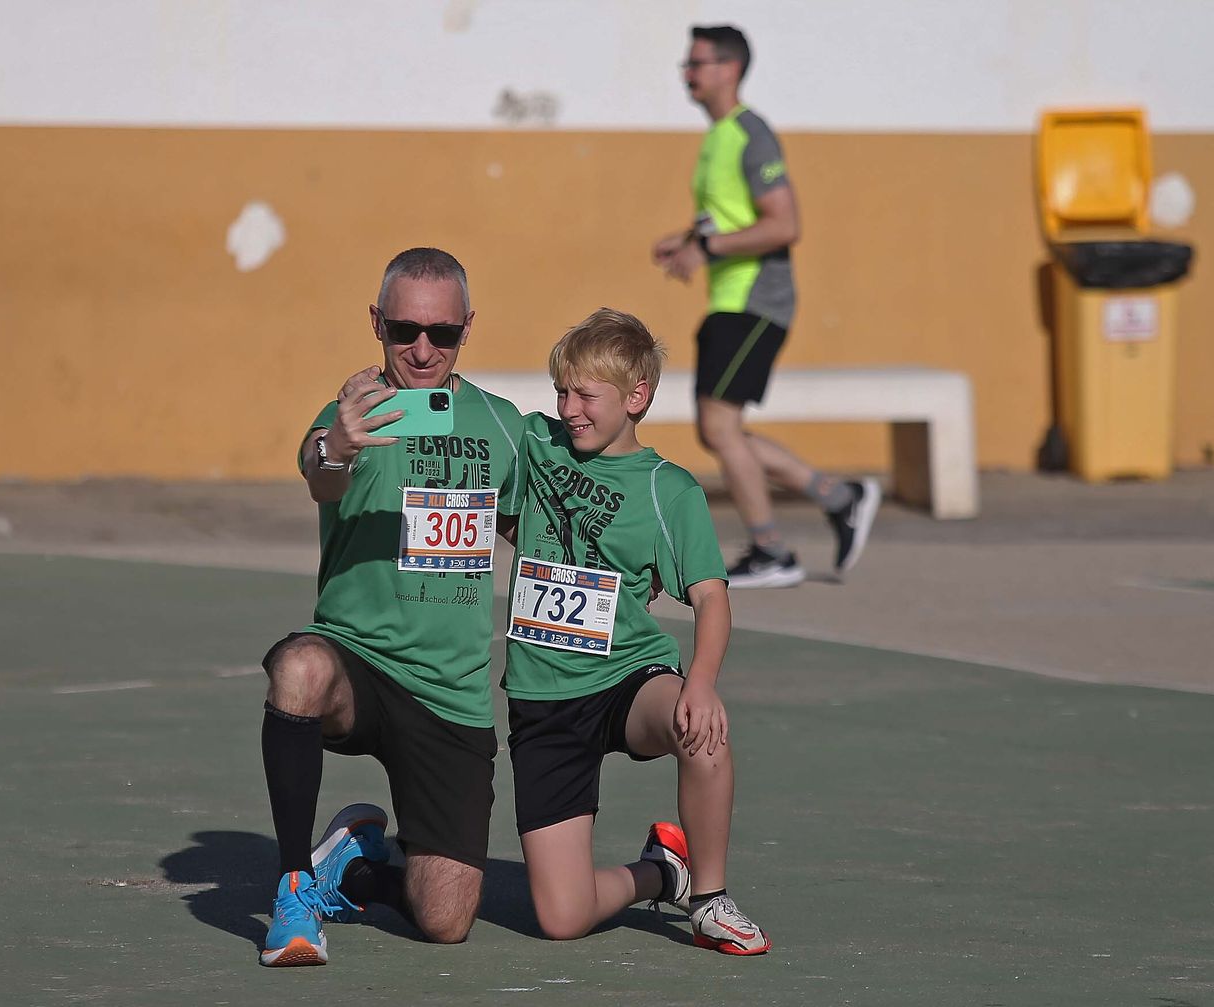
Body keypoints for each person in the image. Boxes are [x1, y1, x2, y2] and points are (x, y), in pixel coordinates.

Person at [258, 247, 525, 966]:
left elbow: (532, 531)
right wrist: (339, 443)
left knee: (446, 919)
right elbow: (321, 473)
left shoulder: (504, 426)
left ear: (468, 328)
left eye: (442, 333)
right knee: (298, 667)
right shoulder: (351, 412)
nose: (422, 347)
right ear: (376, 322)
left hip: (450, 695)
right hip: (359, 667)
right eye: (405, 328)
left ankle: (356, 865)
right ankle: (294, 889)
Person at [498, 307, 770, 955]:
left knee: (700, 727)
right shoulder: (535, 444)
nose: (568, 408)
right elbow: (500, 481)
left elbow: (711, 597)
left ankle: (708, 897)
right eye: (561, 391)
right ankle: (661, 871)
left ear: (636, 397)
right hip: (543, 699)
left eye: (585, 394)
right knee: (562, 918)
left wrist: (699, 681)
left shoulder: (668, 489)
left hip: (627, 676)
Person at [652, 23, 880, 589]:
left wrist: (704, 247)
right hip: (729, 298)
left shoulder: (752, 134)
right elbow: (729, 218)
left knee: (719, 424)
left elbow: (785, 223)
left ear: (729, 69)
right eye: (687, 63)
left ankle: (772, 550)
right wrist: (687, 240)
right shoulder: (717, 138)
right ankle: (839, 496)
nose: (687, 73)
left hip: (756, 299)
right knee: (720, 428)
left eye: (697, 63)